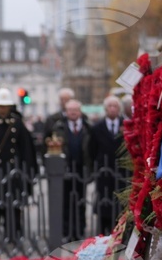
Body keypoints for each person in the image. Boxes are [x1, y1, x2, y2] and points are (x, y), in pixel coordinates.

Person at [0, 88, 35, 246]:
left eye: (5, 106)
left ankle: (13, 234)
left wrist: (27, 170)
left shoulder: (16, 123)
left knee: (13, 203)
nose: (2, 109)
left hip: (12, 169)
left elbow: (25, 148)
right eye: (0, 106)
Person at [51, 99, 91, 242]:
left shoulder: (87, 127)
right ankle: (67, 231)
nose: (73, 113)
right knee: (66, 201)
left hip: (81, 169)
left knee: (81, 200)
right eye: (70, 110)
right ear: (66, 112)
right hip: (65, 169)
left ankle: (79, 230)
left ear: (80, 112)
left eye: (75, 110)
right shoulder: (59, 127)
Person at [90, 95, 128, 235]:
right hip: (104, 171)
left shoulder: (126, 125)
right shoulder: (97, 127)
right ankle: (103, 232)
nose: (112, 109)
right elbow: (92, 149)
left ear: (119, 109)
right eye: (110, 106)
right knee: (104, 200)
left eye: (115, 106)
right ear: (105, 109)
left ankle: (119, 232)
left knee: (120, 202)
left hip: (121, 171)